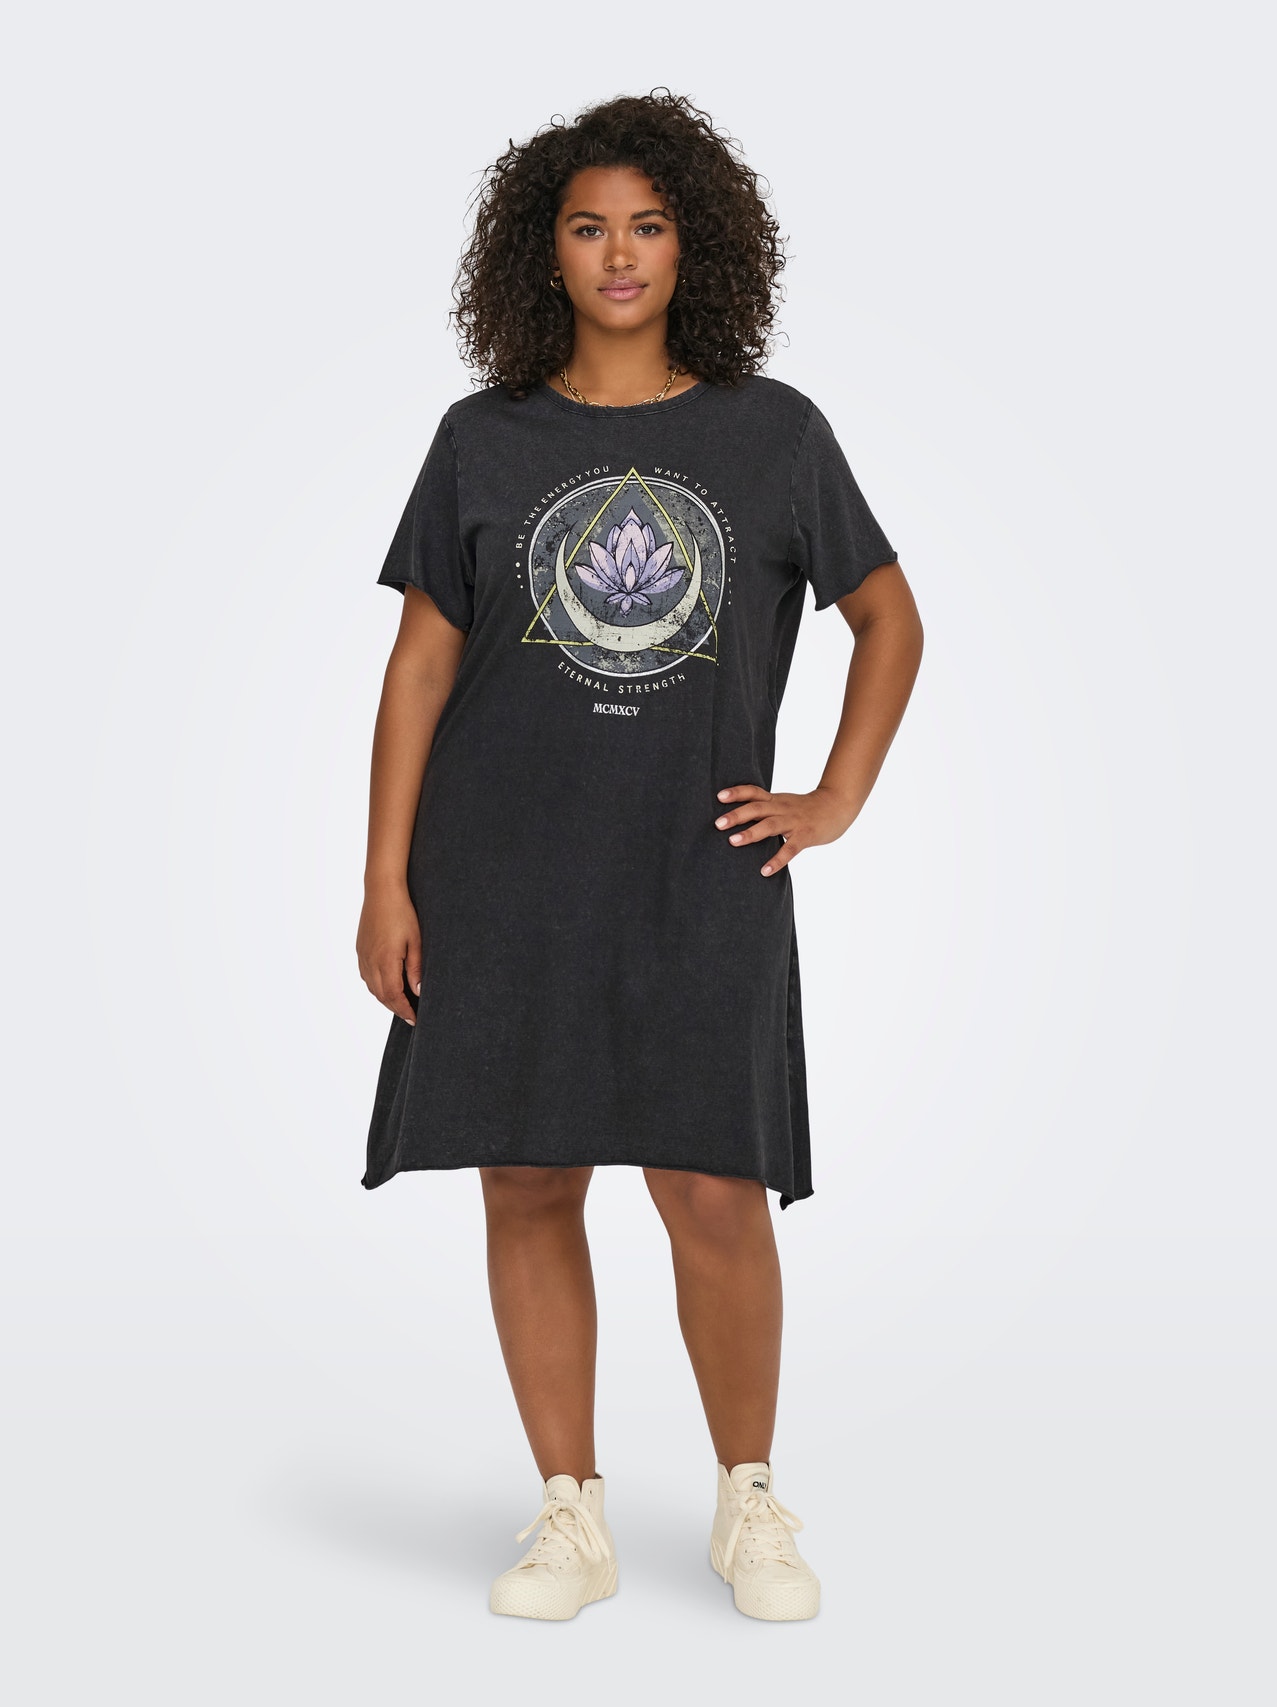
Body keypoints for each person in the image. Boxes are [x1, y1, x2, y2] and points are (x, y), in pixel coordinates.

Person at [355, 90, 924, 1623]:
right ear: (541, 251)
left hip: (699, 871)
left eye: (649, 225)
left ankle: (749, 1501)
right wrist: (385, 879)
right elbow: (419, 670)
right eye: (589, 227)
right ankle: (571, 1513)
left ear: (694, 246)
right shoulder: (482, 441)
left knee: (713, 1190)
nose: (619, 254)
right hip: (502, 872)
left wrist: (833, 797)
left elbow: (889, 618)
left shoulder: (773, 434)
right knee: (530, 1179)